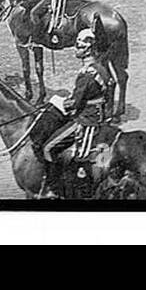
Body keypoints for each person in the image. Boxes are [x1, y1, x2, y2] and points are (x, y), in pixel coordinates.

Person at [29, 28, 113, 198]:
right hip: (98, 113)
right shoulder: (102, 67)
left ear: (88, 49)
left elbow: (75, 103)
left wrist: (56, 101)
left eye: (78, 46)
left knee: (48, 147)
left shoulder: (87, 75)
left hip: (87, 120)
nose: (75, 49)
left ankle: (53, 188)